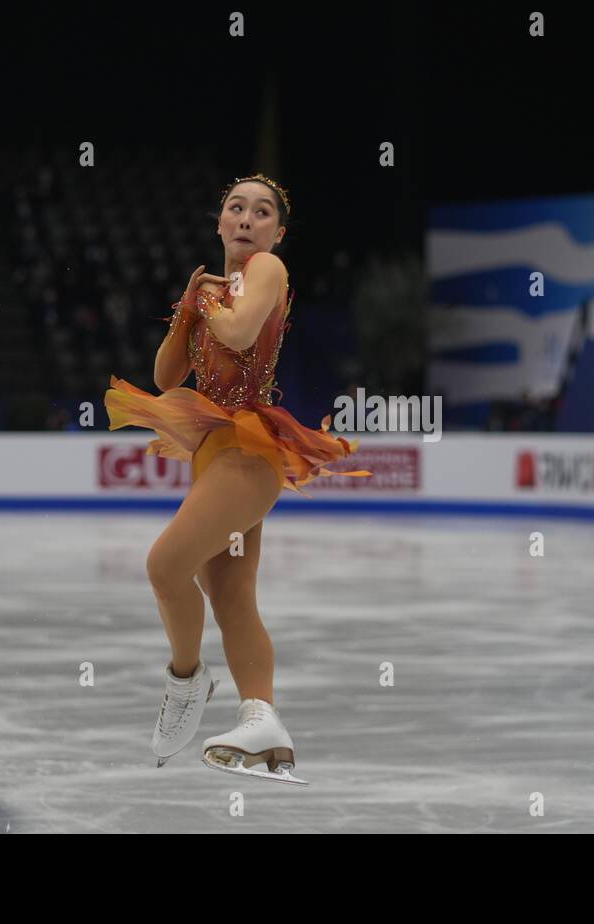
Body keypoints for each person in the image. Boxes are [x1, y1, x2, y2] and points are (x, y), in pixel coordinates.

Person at [104, 175, 370, 784]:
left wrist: (208, 305)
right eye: (236, 209)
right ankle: (264, 721)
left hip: (249, 453)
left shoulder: (267, 271)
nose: (247, 219)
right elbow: (168, 377)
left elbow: (240, 332)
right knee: (230, 598)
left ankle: (185, 677)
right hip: (212, 448)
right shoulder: (215, 288)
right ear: (220, 223)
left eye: (262, 212)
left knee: (165, 566)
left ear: (278, 231)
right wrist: (186, 308)